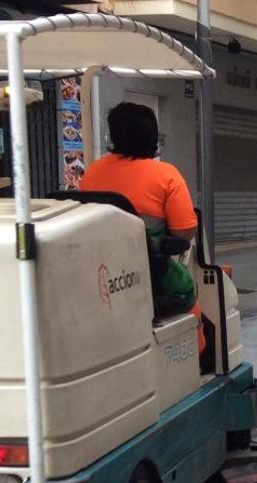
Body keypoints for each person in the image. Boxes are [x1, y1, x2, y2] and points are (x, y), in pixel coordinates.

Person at [81, 102, 205, 355]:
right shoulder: (166, 175)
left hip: (101, 275)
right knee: (187, 290)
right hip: (151, 276)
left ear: (113, 135)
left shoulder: (93, 173)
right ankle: (198, 356)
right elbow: (185, 232)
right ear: (152, 136)